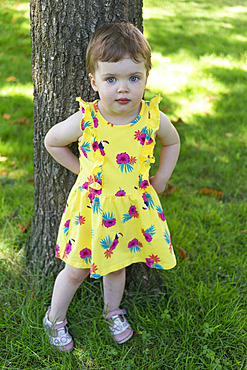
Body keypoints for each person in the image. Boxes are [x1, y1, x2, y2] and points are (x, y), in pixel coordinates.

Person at [43, 22, 180, 352]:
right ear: (94, 81)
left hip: (130, 208)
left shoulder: (151, 118)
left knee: (117, 266)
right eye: (111, 79)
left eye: (134, 78)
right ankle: (54, 317)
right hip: (92, 210)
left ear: (146, 77)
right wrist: (82, 171)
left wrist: (160, 178)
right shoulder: (86, 119)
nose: (123, 89)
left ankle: (112, 312)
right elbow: (52, 141)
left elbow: (172, 142)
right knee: (75, 270)